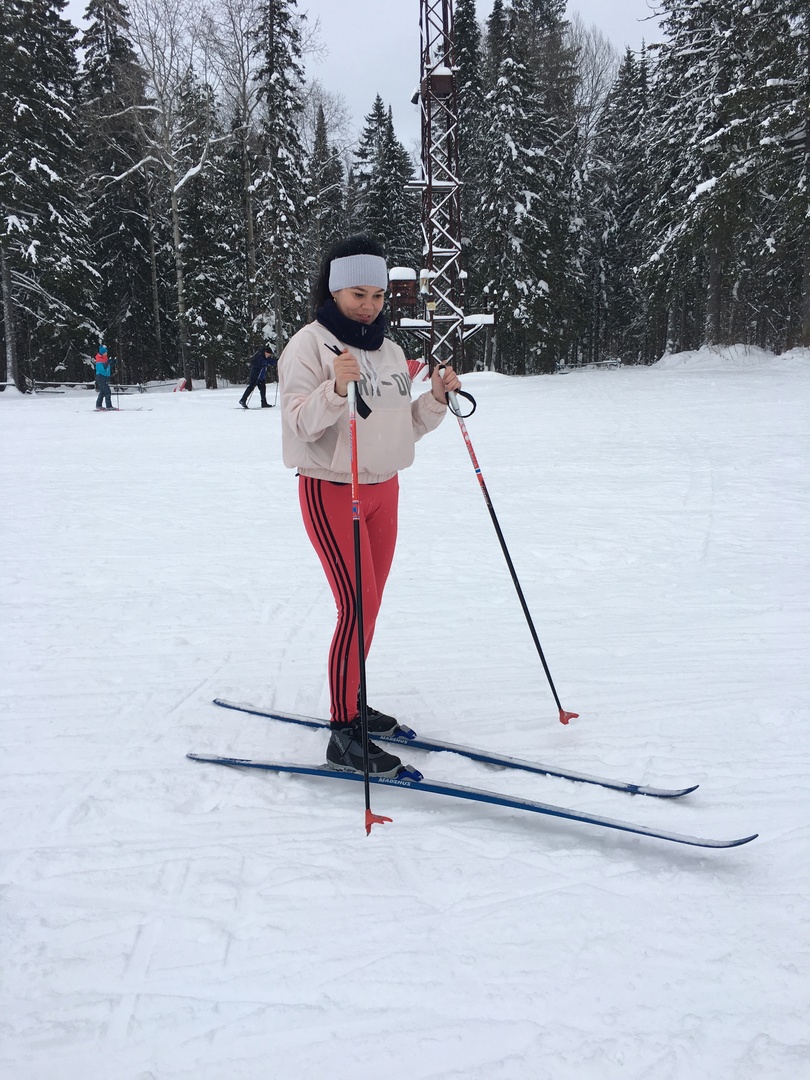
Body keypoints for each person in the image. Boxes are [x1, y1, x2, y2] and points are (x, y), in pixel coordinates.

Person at [278, 234, 461, 777]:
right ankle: (343, 733)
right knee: (355, 606)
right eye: (358, 294)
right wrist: (335, 390)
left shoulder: (388, 351)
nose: (369, 305)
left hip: (384, 489)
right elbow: (299, 424)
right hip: (334, 489)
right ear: (335, 291)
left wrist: (435, 400)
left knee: (371, 606)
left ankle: (354, 701)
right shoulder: (308, 346)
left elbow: (400, 427)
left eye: (378, 295)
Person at [239, 344, 277, 408]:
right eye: (269, 354)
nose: (269, 355)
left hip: (261, 376)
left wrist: (277, 361)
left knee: (263, 388)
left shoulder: (265, 357)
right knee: (251, 387)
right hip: (255, 374)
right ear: (265, 352)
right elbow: (256, 362)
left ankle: (264, 403)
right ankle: (243, 400)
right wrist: (263, 363)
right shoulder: (259, 355)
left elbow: (270, 361)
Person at [94, 346, 116, 411]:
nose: (106, 353)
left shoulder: (105, 358)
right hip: (101, 377)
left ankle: (98, 405)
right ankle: (108, 406)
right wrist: (107, 363)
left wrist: (113, 362)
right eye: (105, 352)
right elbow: (102, 368)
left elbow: (107, 367)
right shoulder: (99, 360)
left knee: (103, 391)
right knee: (107, 391)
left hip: (105, 377)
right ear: (102, 353)